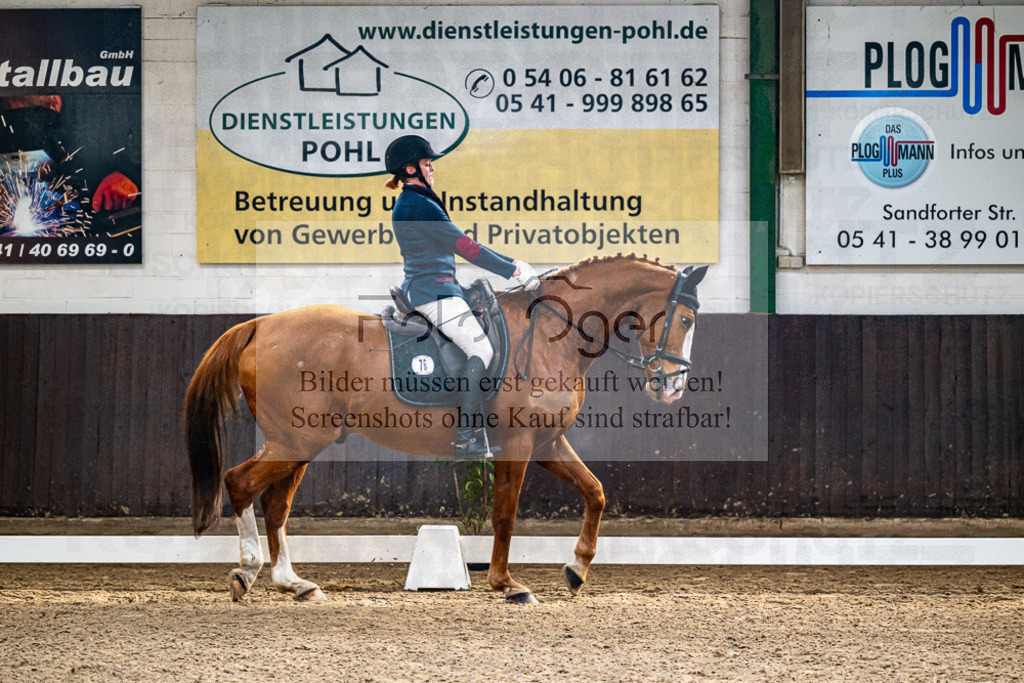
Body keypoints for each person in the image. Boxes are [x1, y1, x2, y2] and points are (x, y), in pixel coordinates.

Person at [385, 134, 539, 460]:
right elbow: (466, 247)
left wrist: (513, 266)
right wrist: (513, 269)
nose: (432, 169)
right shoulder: (416, 204)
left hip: (441, 287)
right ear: (411, 169)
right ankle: (466, 437)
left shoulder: (419, 200)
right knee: (480, 349)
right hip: (432, 292)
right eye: (427, 164)